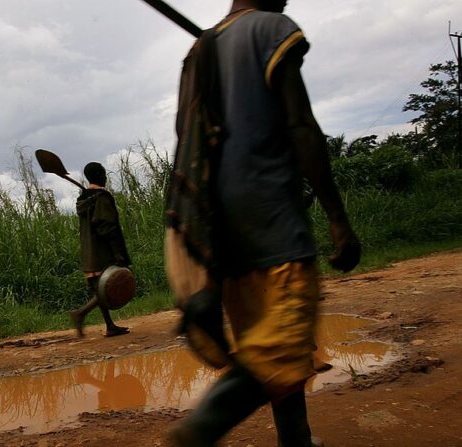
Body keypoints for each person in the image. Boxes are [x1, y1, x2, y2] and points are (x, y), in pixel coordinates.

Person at [167, 1, 361, 446]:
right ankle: (198, 431)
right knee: (282, 348)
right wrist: (338, 217)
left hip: (224, 234)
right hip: (272, 220)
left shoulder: (201, 49)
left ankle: (297, 440)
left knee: (268, 342)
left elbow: (187, 141)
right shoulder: (272, 28)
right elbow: (301, 127)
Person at [69, 162, 132, 338]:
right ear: (100, 175)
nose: (105, 177)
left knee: (100, 289)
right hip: (102, 250)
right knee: (108, 287)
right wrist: (117, 252)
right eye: (104, 174)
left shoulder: (84, 199)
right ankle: (81, 313)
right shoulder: (100, 198)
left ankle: (109, 325)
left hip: (89, 251)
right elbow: (106, 225)